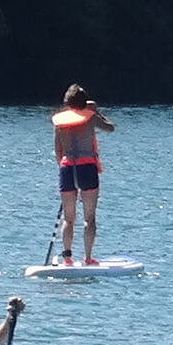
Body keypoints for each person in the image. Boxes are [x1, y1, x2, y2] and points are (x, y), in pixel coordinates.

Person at [53, 83, 115, 266]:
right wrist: (97, 112)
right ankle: (87, 257)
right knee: (89, 217)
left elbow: (58, 151)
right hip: (87, 167)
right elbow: (110, 128)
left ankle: (68, 258)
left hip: (66, 168)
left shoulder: (59, 121)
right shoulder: (91, 117)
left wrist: (65, 168)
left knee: (69, 218)